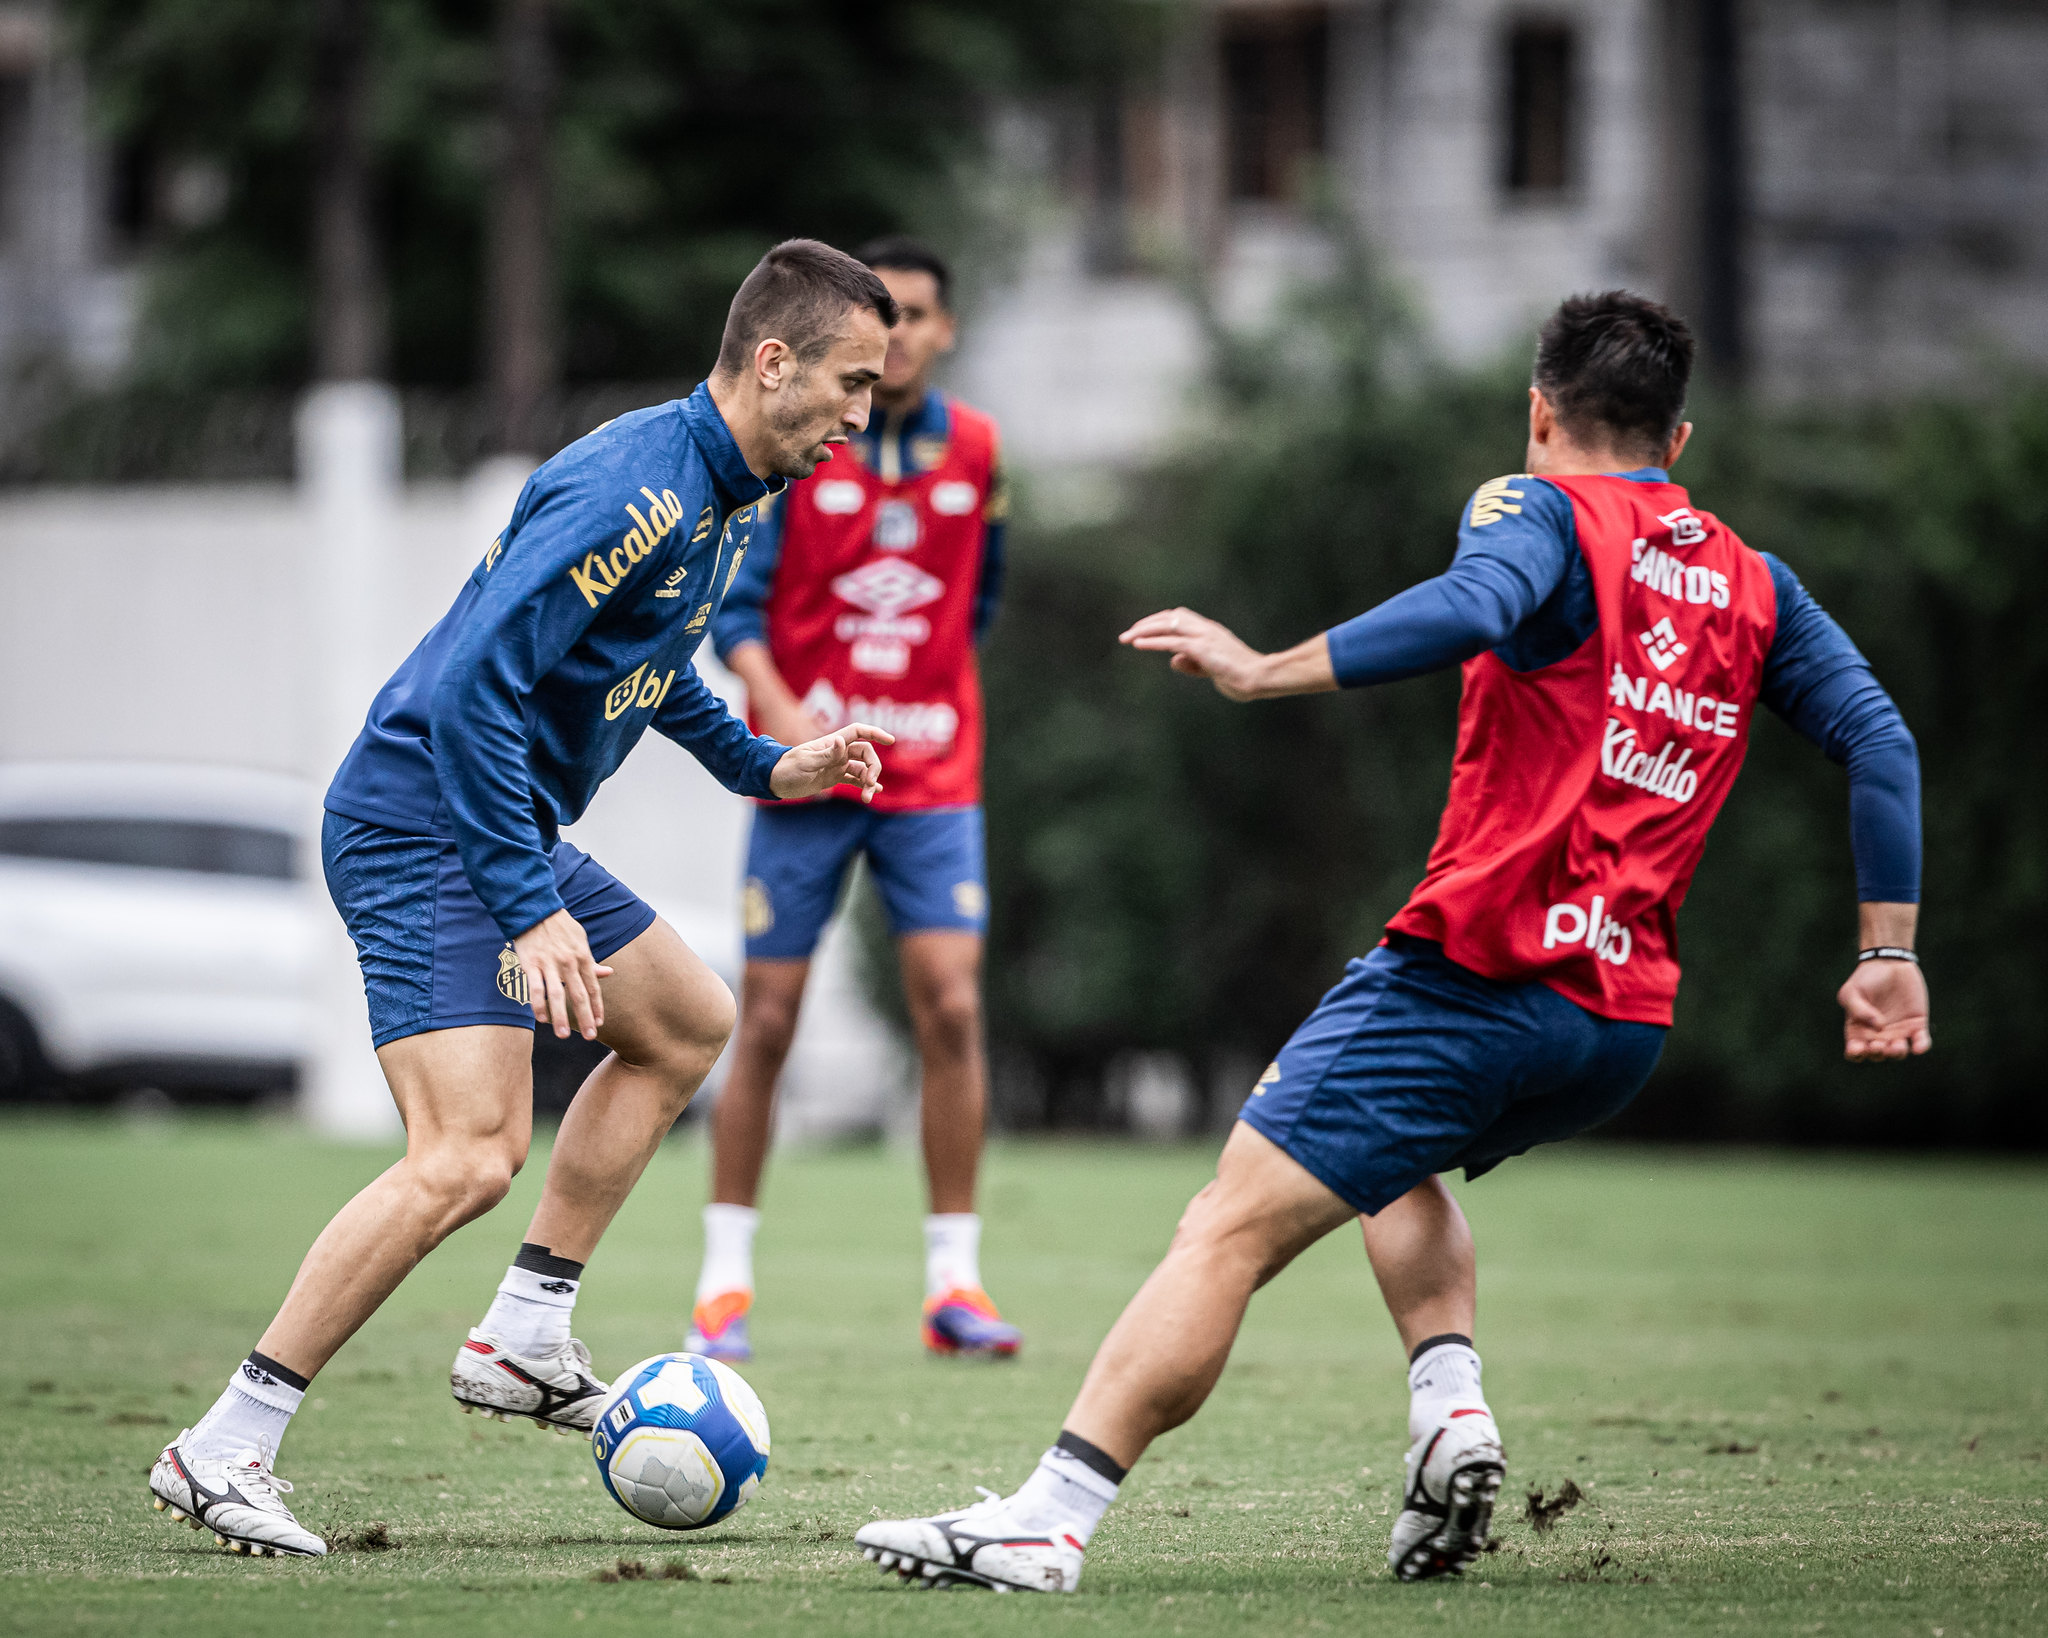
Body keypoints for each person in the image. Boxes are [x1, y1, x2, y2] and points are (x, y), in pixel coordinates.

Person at [851, 290, 1930, 1593]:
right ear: (1679, 439)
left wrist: (1263, 668)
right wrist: (1886, 954)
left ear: (1540, 413)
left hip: (1475, 975)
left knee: (1224, 1227)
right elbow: (1880, 739)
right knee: (1389, 1160)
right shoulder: (1755, 581)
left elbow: (1476, 605)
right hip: (1618, 1021)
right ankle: (1448, 1409)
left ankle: (1049, 1519)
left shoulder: (1536, 509)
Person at [147, 240, 903, 1560]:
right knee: (466, 1157)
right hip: (421, 824)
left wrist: (767, 763)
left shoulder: (729, 494)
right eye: (852, 382)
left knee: (684, 1021)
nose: (861, 414)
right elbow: (471, 693)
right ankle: (224, 1442)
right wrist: (525, 902)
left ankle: (523, 1335)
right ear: (774, 361)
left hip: (494, 825)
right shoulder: (632, 489)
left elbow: (648, 665)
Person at [684, 238, 1020, 1362]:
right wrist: (789, 722)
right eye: (890, 316)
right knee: (768, 1017)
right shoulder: (800, 441)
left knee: (953, 1008)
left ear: (946, 329)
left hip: (932, 774)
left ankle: (954, 1286)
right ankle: (723, 1287)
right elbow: (736, 615)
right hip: (808, 769)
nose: (905, 334)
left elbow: (977, 604)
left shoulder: (979, 452)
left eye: (921, 314)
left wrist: (916, 702)